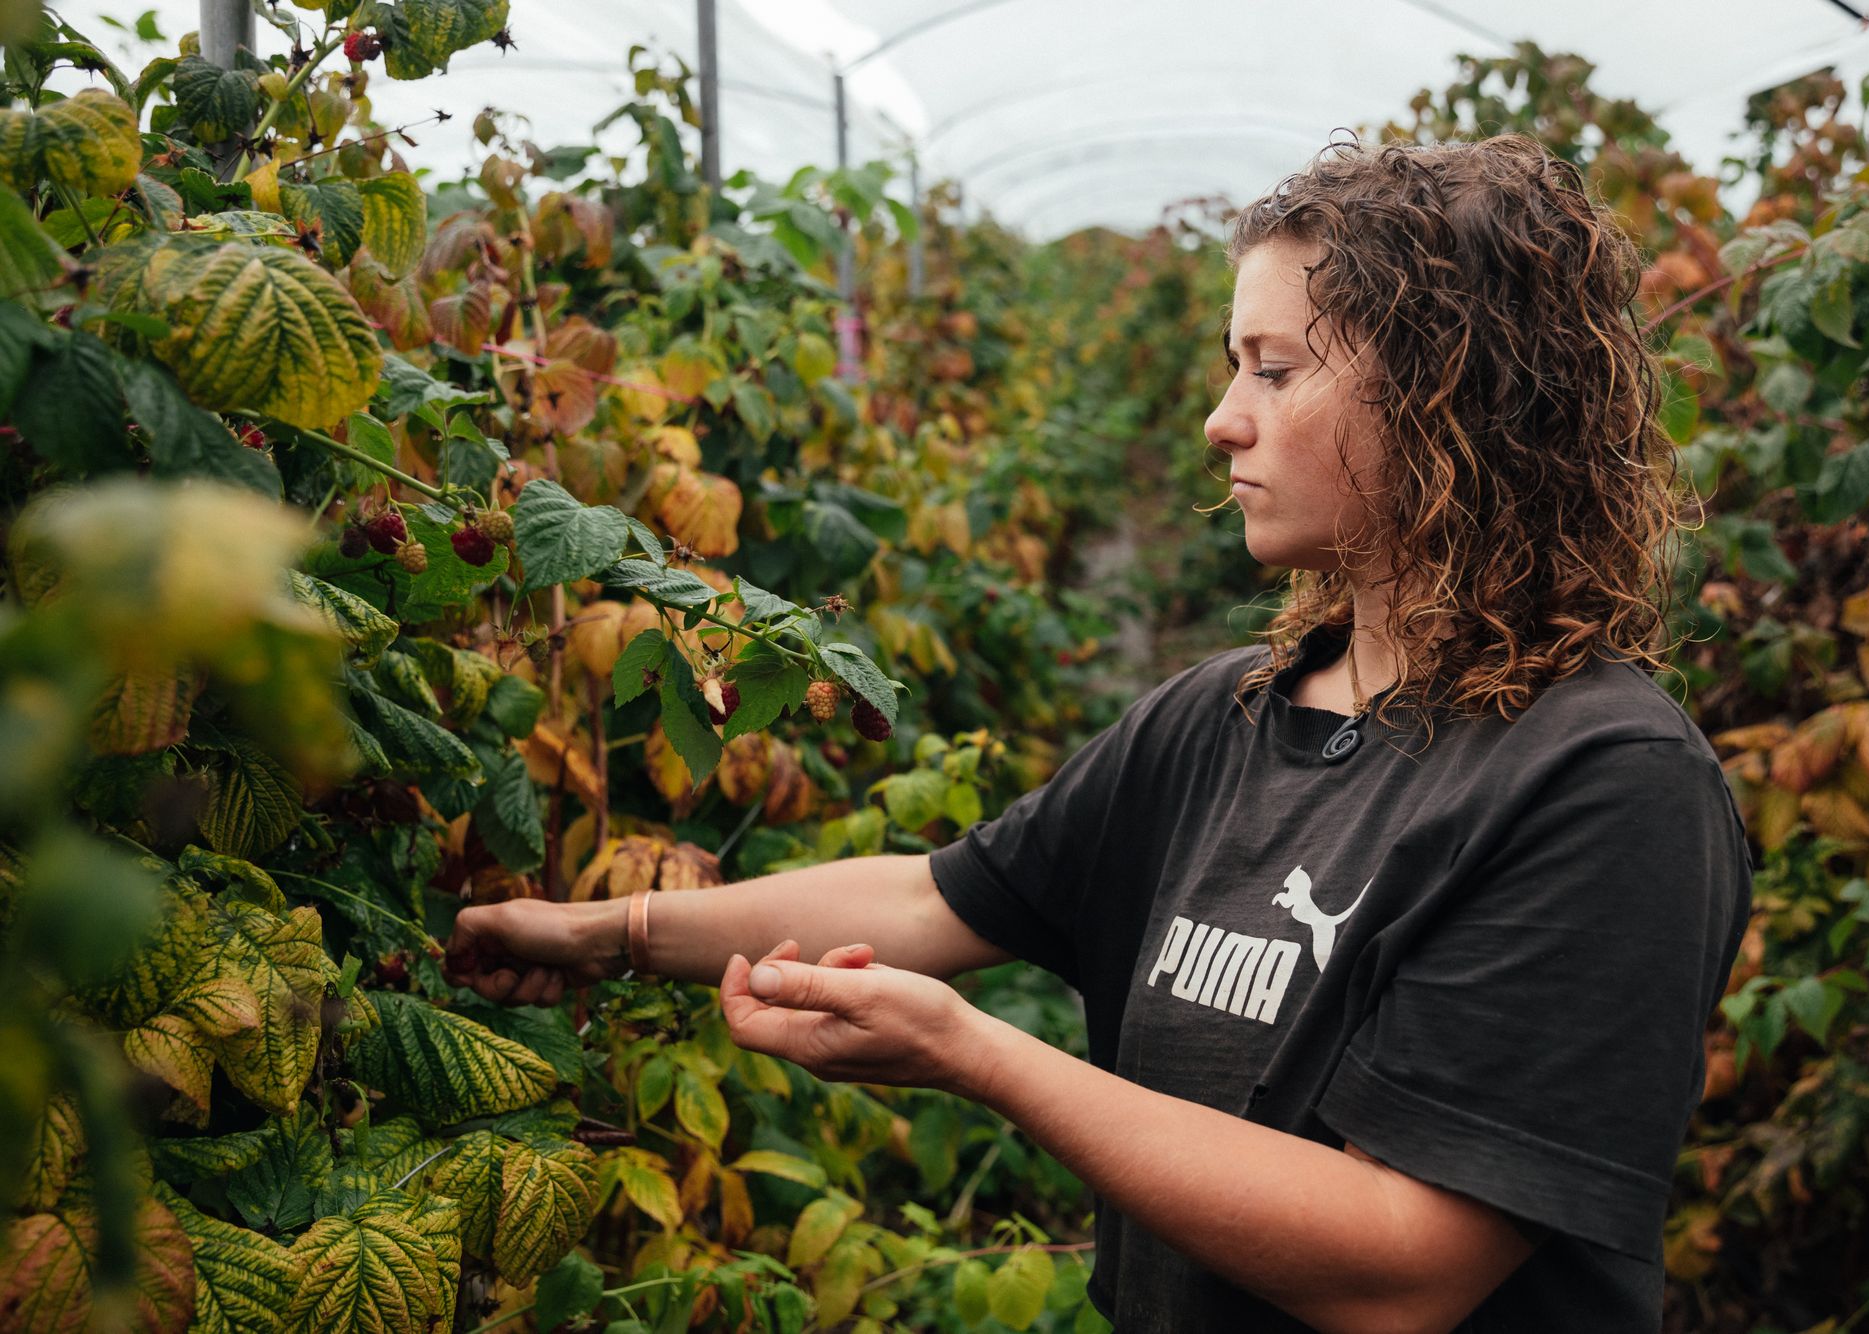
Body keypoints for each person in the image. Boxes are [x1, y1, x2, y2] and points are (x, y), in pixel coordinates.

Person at [446, 132, 1753, 1333]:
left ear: (1447, 400)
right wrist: (597, 933)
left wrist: (980, 1056)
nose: (1220, 418)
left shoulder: (1601, 784)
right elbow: (941, 895)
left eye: (1276, 369)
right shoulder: (1228, 716)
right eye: (1230, 365)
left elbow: (1404, 1261)